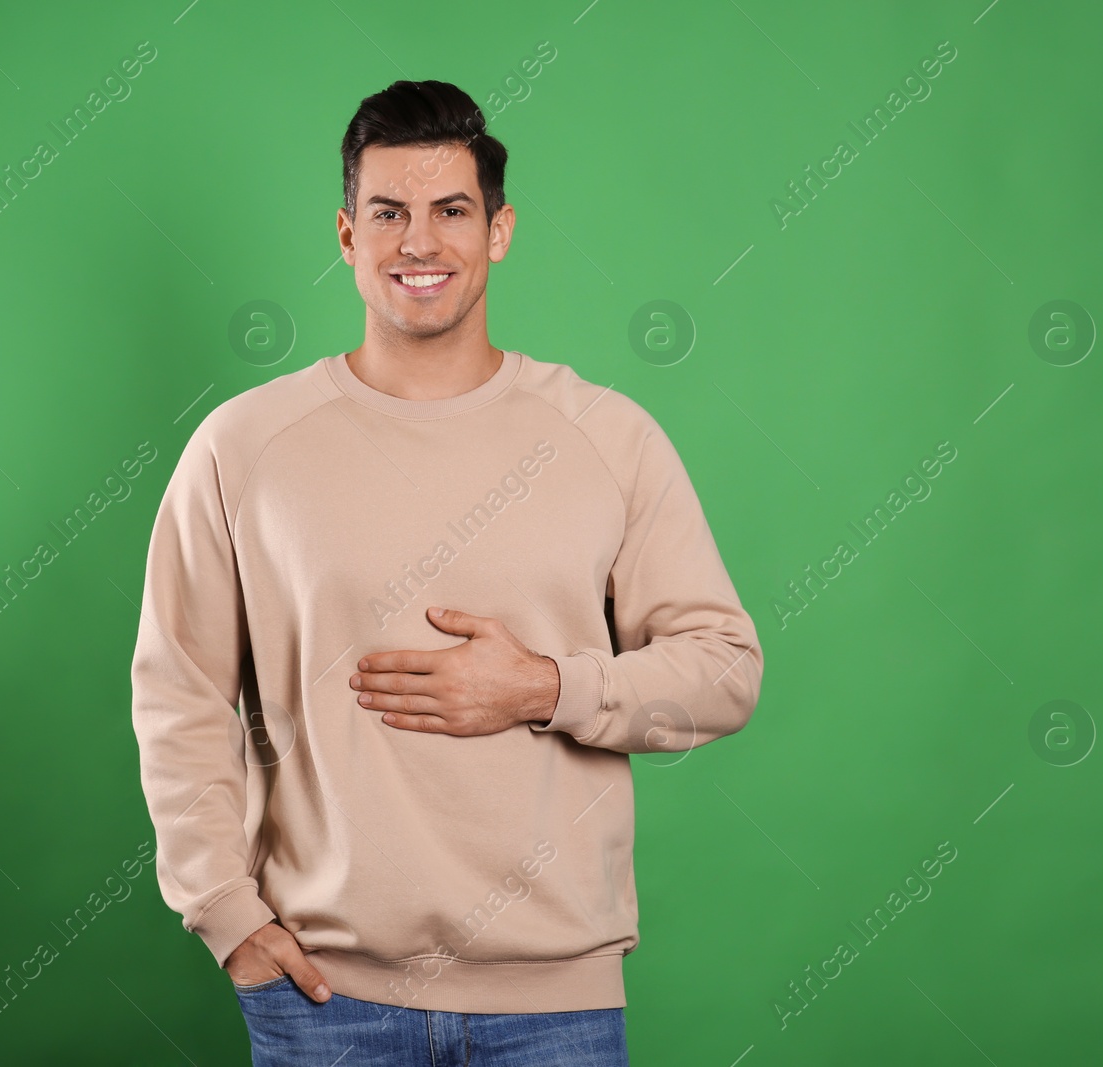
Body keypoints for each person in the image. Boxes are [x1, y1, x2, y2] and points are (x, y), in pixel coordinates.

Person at [129, 78, 765, 1066]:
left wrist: (545, 686)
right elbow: (181, 692)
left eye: (450, 211)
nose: (417, 242)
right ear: (346, 236)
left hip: (555, 1004)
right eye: (387, 212)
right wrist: (223, 911)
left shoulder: (606, 437)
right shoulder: (242, 446)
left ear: (499, 230)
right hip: (323, 996)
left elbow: (724, 666)